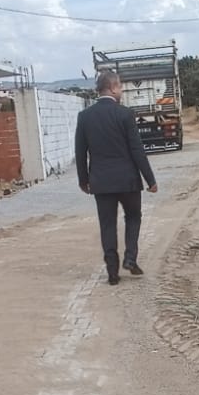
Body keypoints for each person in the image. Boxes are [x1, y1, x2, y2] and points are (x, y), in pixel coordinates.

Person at [75, 71, 158, 286]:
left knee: (107, 225)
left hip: (101, 182)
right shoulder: (125, 114)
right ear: (112, 88)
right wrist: (150, 180)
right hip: (128, 180)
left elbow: (80, 151)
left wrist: (83, 181)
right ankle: (130, 257)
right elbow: (136, 149)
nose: (121, 91)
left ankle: (112, 271)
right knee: (133, 217)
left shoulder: (85, 117)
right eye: (120, 87)